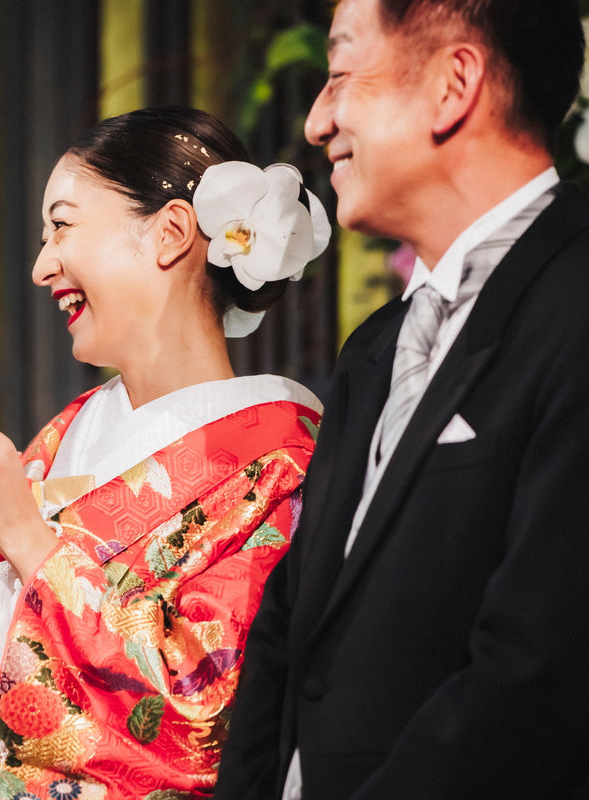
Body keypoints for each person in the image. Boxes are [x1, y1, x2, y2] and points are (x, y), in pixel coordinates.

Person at [0, 106, 329, 799]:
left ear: (171, 233)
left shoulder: (281, 463)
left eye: (61, 225)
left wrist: (31, 540)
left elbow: (207, 720)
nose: (39, 266)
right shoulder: (66, 436)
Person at [213, 1, 589, 798]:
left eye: (342, 74)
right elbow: (291, 627)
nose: (316, 122)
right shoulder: (375, 348)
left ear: (455, 85)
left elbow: (539, 662)